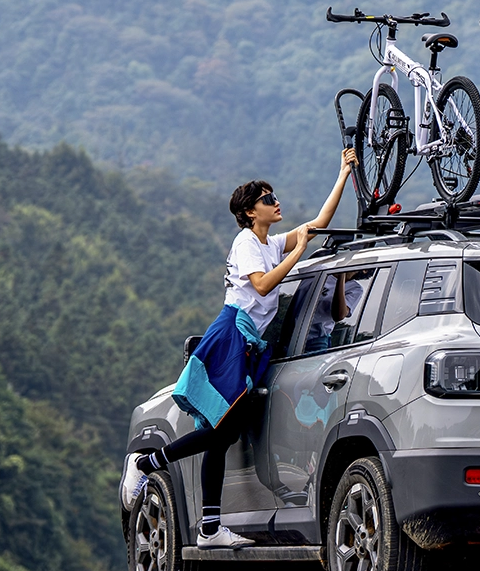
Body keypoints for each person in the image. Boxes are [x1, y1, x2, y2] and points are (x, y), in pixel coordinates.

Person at [132, 147, 358, 549]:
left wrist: (343, 174)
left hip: (249, 342)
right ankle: (147, 463)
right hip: (233, 335)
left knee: (220, 435)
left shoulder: (270, 243)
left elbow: (318, 224)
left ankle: (208, 529)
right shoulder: (247, 242)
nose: (277, 203)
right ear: (251, 212)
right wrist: (298, 253)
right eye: (269, 199)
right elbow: (263, 285)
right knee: (221, 428)